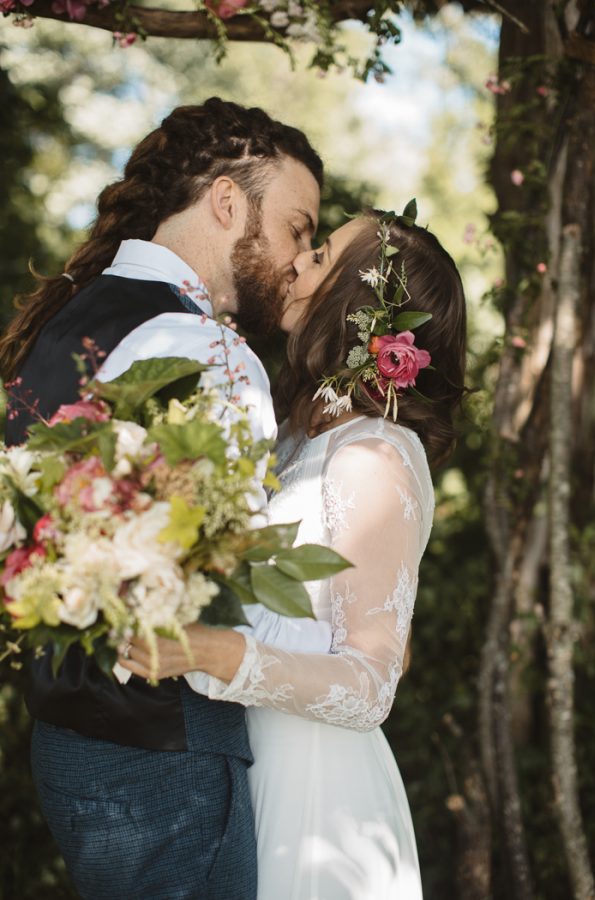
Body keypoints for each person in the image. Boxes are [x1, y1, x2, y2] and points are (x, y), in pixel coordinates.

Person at [0, 98, 336, 900]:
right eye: (296, 227)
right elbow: (234, 578)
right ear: (228, 202)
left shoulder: (71, 323)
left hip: (70, 738)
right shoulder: (209, 348)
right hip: (165, 749)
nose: (299, 258)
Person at [120, 210, 468, 899]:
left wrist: (206, 652)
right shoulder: (291, 435)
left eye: (322, 254)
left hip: (319, 800)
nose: (298, 260)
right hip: (237, 766)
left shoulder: (374, 453)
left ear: (359, 303)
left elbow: (372, 683)